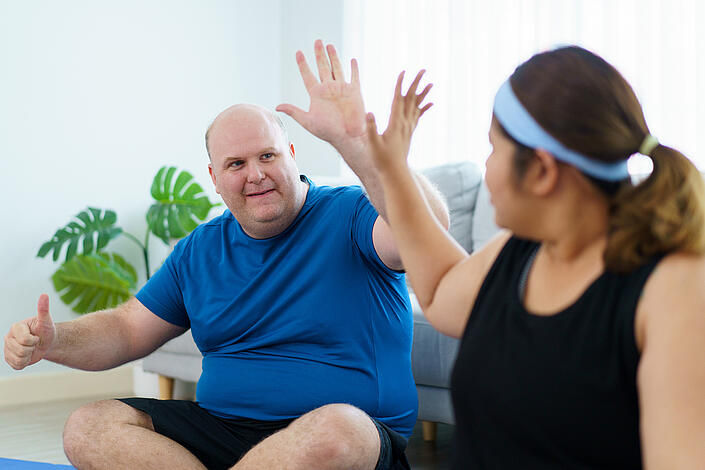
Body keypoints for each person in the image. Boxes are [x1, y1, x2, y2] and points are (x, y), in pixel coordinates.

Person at [2, 40, 449, 470]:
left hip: (343, 438)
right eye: (236, 164)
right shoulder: (200, 250)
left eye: (268, 156)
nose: (255, 175)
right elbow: (125, 329)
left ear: (292, 155)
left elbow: (430, 233)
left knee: (338, 428)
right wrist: (55, 341)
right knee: (89, 427)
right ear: (215, 178)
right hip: (222, 431)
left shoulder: (352, 213)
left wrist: (363, 148)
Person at [363, 45, 705, 469]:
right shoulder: (523, 249)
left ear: (542, 170)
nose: (486, 167)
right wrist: (393, 167)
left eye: (493, 149)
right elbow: (438, 293)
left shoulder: (673, 288)